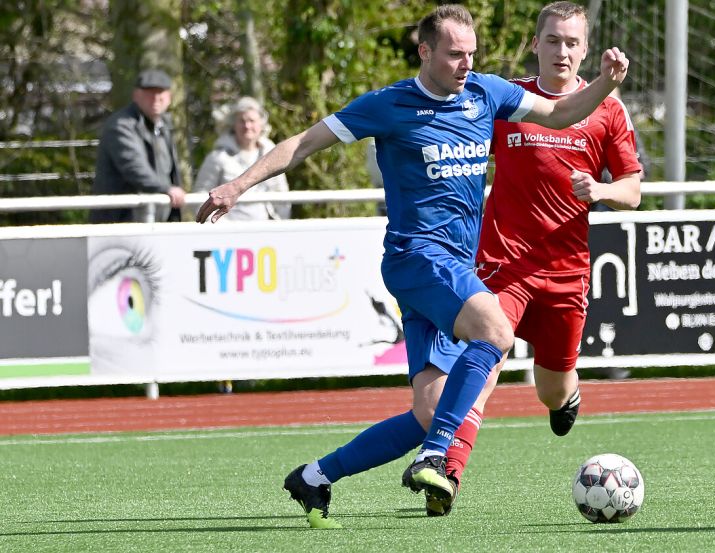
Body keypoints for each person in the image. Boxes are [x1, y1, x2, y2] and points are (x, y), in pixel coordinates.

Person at [195, 4, 628, 528]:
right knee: (495, 331)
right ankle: (436, 456)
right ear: (425, 51)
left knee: (428, 412)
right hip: (416, 259)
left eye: (471, 54)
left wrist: (605, 81)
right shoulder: (389, 105)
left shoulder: (486, 93)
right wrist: (238, 185)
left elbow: (560, 113)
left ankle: (315, 476)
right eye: (453, 54)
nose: (465, 64)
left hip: (453, 270)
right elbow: (305, 143)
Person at [426, 1, 642, 517]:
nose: (561, 51)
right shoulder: (509, 100)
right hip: (505, 265)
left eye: (571, 43)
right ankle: (447, 472)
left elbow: (633, 190)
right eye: (552, 40)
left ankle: (566, 398)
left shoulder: (606, 107)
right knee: (487, 358)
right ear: (536, 44)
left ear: (585, 50)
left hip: (567, 275)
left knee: (551, 390)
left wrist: (603, 191)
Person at [91, 69, 186, 223]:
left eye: (160, 92)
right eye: (149, 93)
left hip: (159, 220)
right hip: (123, 222)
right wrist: (166, 189)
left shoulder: (165, 127)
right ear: (136, 95)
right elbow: (134, 167)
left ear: (169, 97)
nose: (156, 98)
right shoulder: (121, 126)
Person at [193, 96, 290, 221]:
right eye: (242, 121)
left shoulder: (273, 155)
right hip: (228, 234)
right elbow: (200, 196)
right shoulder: (217, 157)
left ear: (261, 124)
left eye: (252, 121)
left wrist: (280, 225)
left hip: (265, 231)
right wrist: (218, 225)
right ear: (234, 124)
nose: (247, 126)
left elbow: (282, 195)